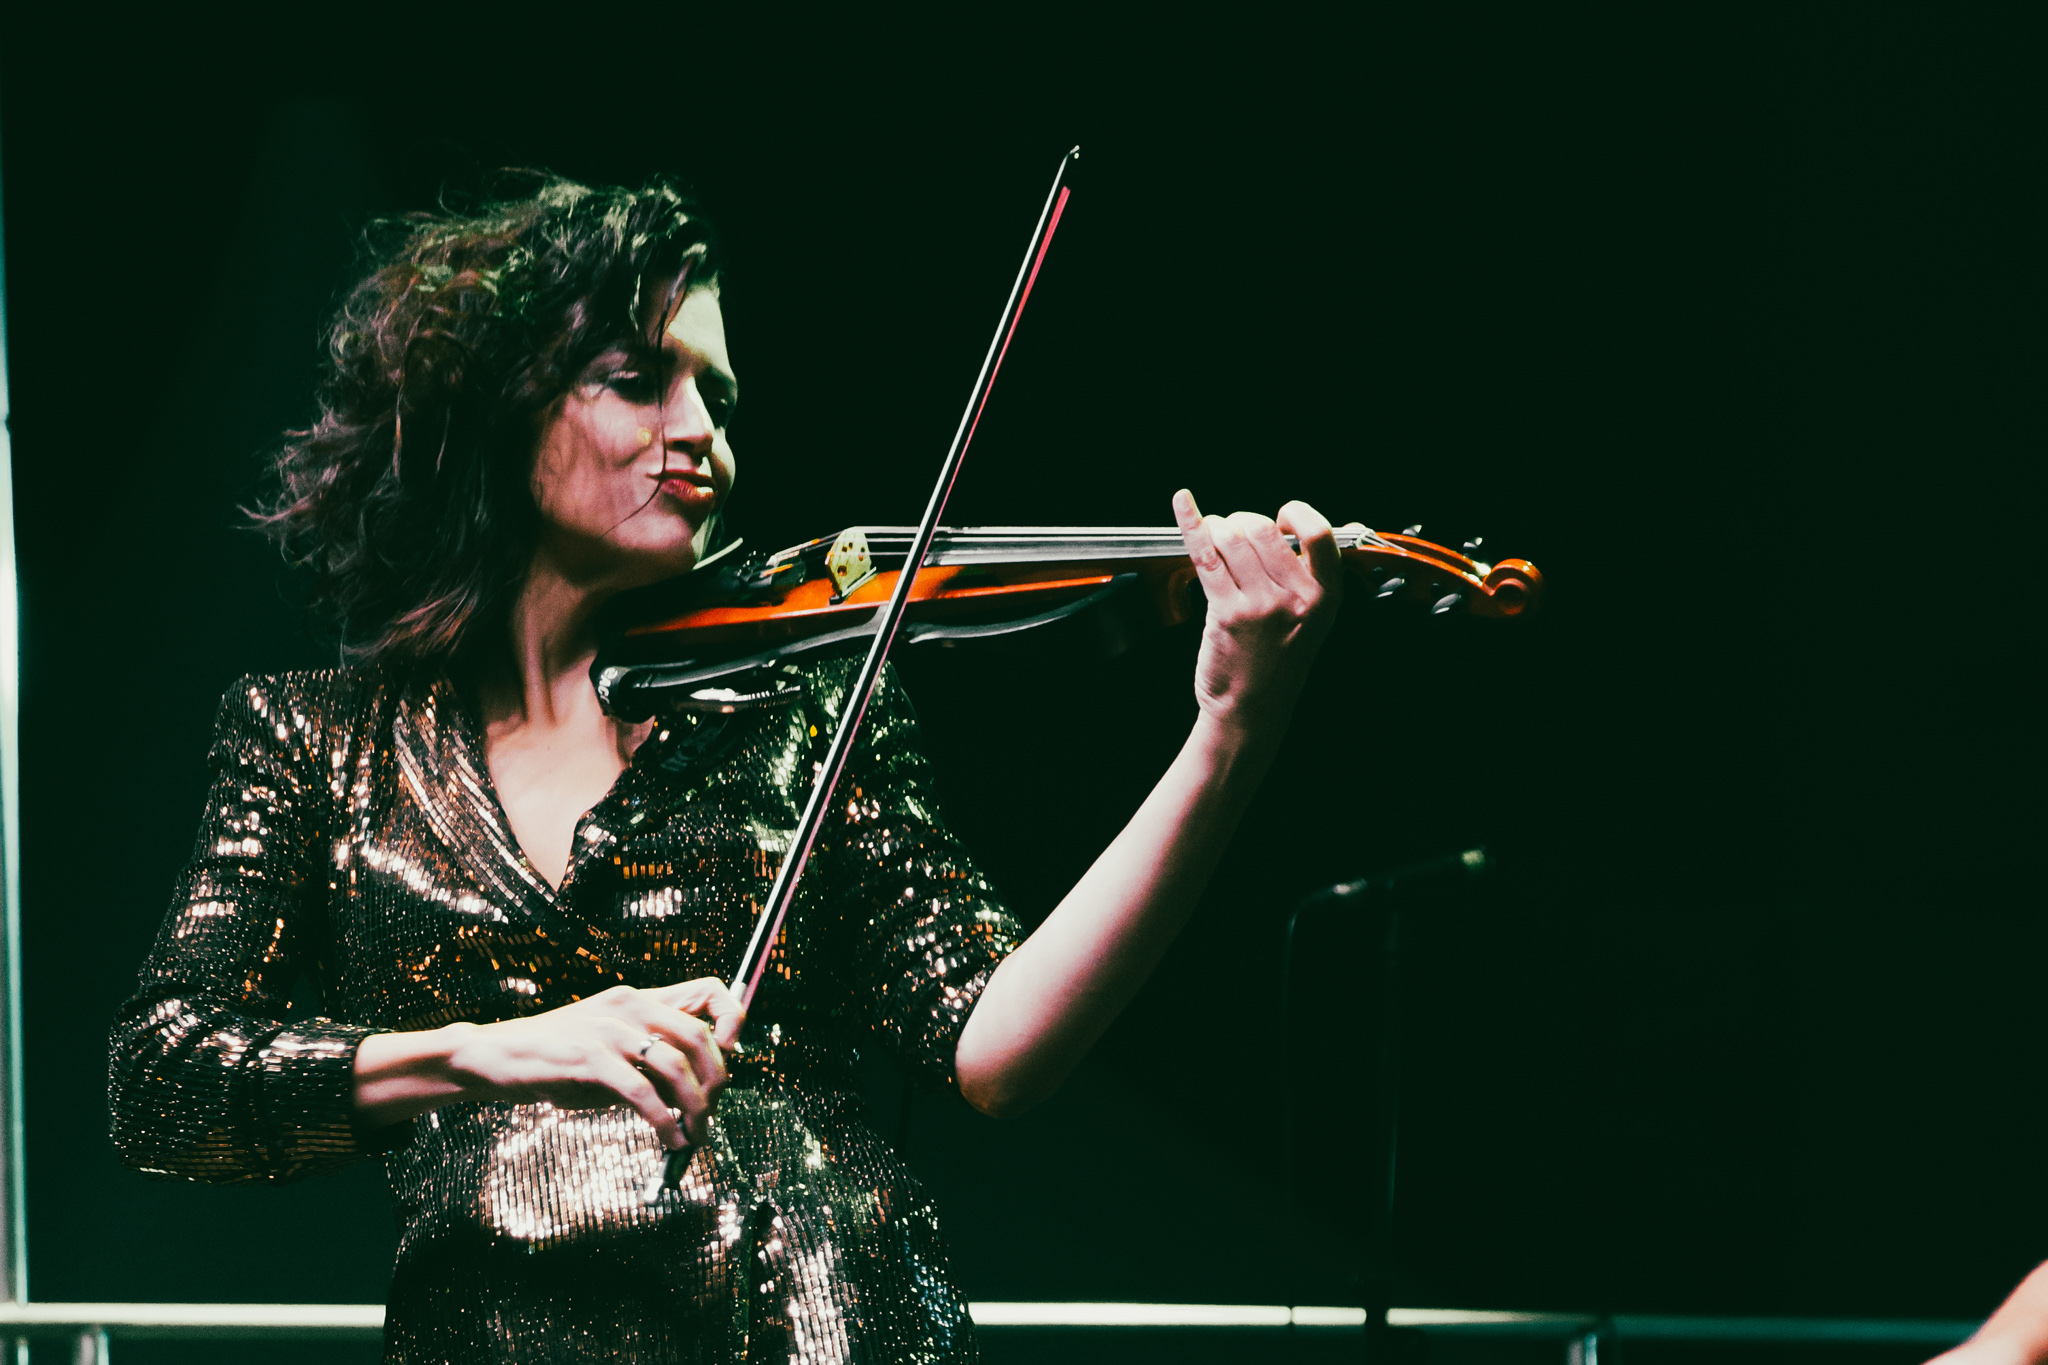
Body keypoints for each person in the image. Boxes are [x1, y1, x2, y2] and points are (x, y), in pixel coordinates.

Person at [107, 176, 1348, 1363]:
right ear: (500, 403)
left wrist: (1228, 730)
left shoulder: (801, 700)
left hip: (828, 1326)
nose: (702, 434)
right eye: (638, 381)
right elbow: (164, 1083)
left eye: (718, 396)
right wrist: (498, 1048)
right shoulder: (316, 741)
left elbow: (996, 1046)